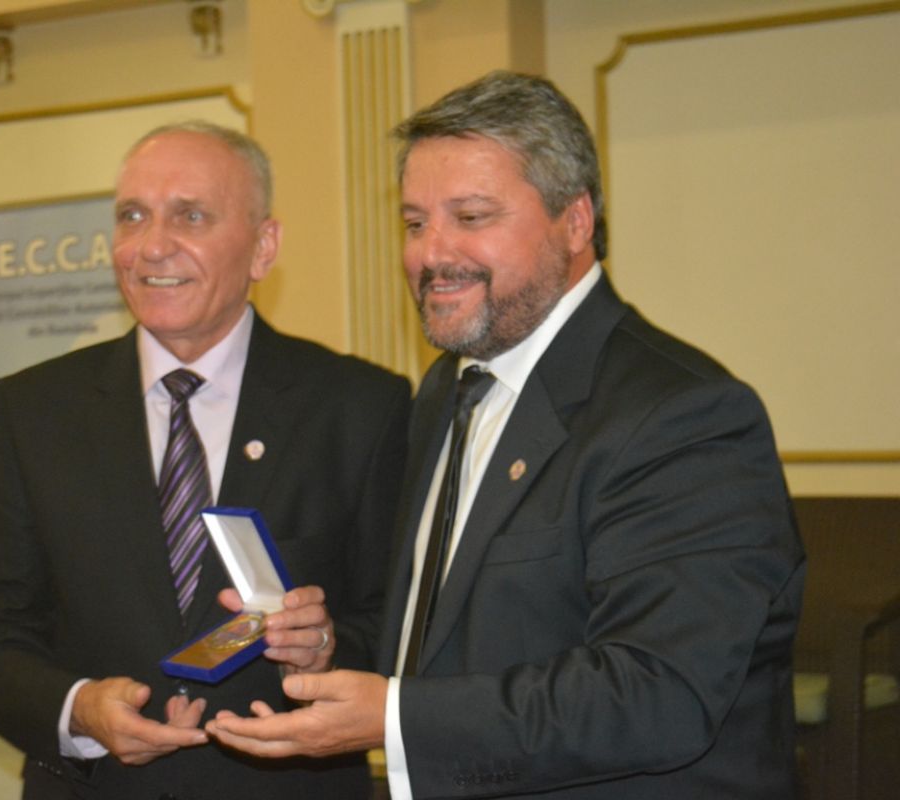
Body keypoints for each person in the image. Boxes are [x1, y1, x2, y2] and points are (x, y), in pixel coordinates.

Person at [205, 71, 806, 799]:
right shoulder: (447, 389)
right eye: (415, 223)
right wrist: (331, 649)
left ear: (575, 222)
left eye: (471, 216)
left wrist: (391, 716)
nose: (431, 254)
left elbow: (658, 693)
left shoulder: (683, 415)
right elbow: (445, 638)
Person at [0, 121, 411, 800]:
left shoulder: (360, 407)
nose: (152, 246)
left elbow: (401, 627)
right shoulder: (34, 411)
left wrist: (324, 650)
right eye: (132, 216)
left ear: (263, 247)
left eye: (190, 216)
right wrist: (79, 709)